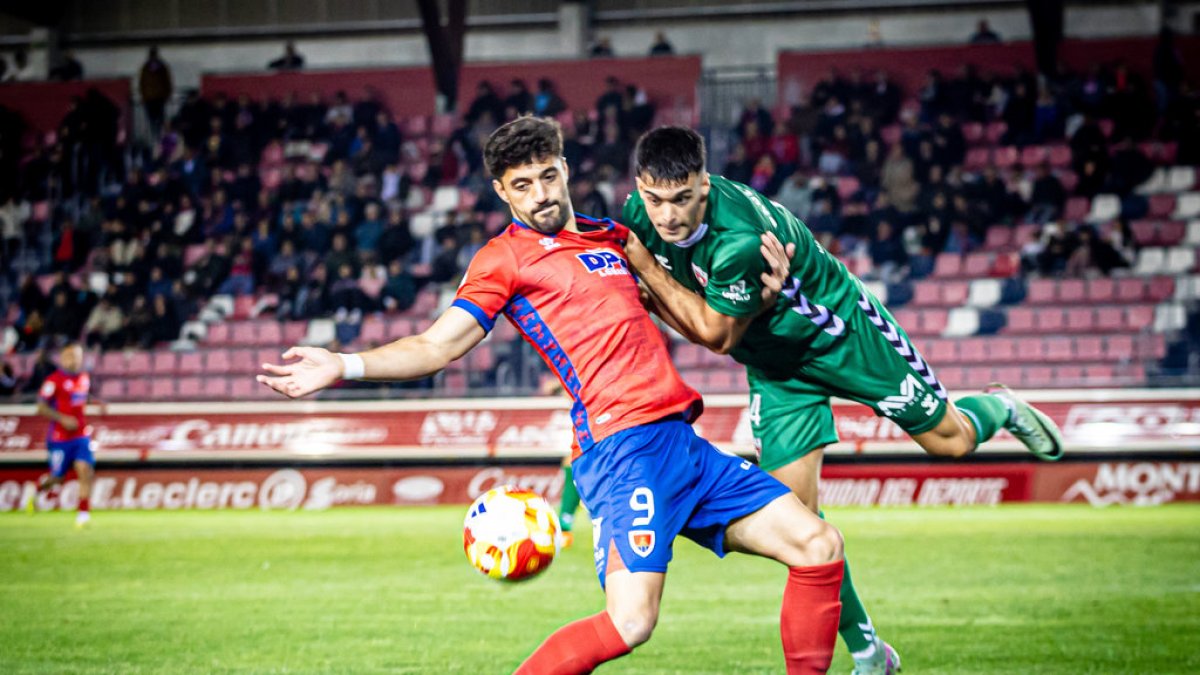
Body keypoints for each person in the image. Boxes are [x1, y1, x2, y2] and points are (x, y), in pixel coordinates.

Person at [258, 116, 847, 675]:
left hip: (682, 445)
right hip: (623, 452)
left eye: (547, 176)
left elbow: (704, 323)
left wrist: (758, 291)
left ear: (565, 169)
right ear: (501, 192)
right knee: (631, 622)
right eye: (522, 185)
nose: (539, 194)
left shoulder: (614, 236)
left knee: (818, 544)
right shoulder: (504, 259)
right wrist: (344, 363)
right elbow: (438, 346)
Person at [621, 126, 1067, 675]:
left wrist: (645, 272)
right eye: (654, 199)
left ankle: (1001, 407)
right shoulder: (635, 217)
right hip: (778, 368)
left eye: (682, 199)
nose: (667, 216)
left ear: (705, 186)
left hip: (844, 335)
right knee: (800, 522)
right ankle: (869, 652)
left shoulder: (737, 239)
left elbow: (715, 336)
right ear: (639, 188)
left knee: (951, 442)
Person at [23, 343, 105, 527]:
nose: (74, 360)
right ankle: (36, 489)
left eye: (77, 356)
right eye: (70, 356)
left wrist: (97, 402)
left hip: (81, 435)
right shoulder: (53, 381)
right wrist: (62, 418)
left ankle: (83, 516)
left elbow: (82, 396)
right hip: (60, 438)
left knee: (85, 471)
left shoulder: (84, 378)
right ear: (63, 358)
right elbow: (41, 407)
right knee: (57, 477)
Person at [138, 46, 173, 136]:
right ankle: (158, 135)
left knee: (155, 119)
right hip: (155, 98)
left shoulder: (146, 68)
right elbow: (167, 82)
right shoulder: (161, 67)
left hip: (154, 98)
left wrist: (143, 96)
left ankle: (158, 135)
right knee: (155, 119)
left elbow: (142, 83)